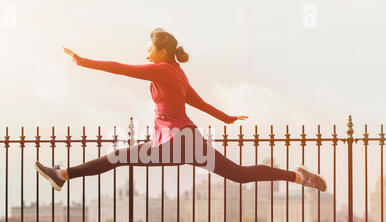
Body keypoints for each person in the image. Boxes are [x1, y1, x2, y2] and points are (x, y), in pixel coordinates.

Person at [34, 27, 327, 193]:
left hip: (179, 141)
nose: (145, 51)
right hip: (184, 140)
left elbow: (121, 69)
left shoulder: (161, 70)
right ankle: (299, 177)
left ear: (161, 53)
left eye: (149, 47)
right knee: (239, 174)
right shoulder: (177, 72)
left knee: (118, 156)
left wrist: (84, 61)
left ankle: (63, 175)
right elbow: (196, 102)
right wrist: (225, 118)